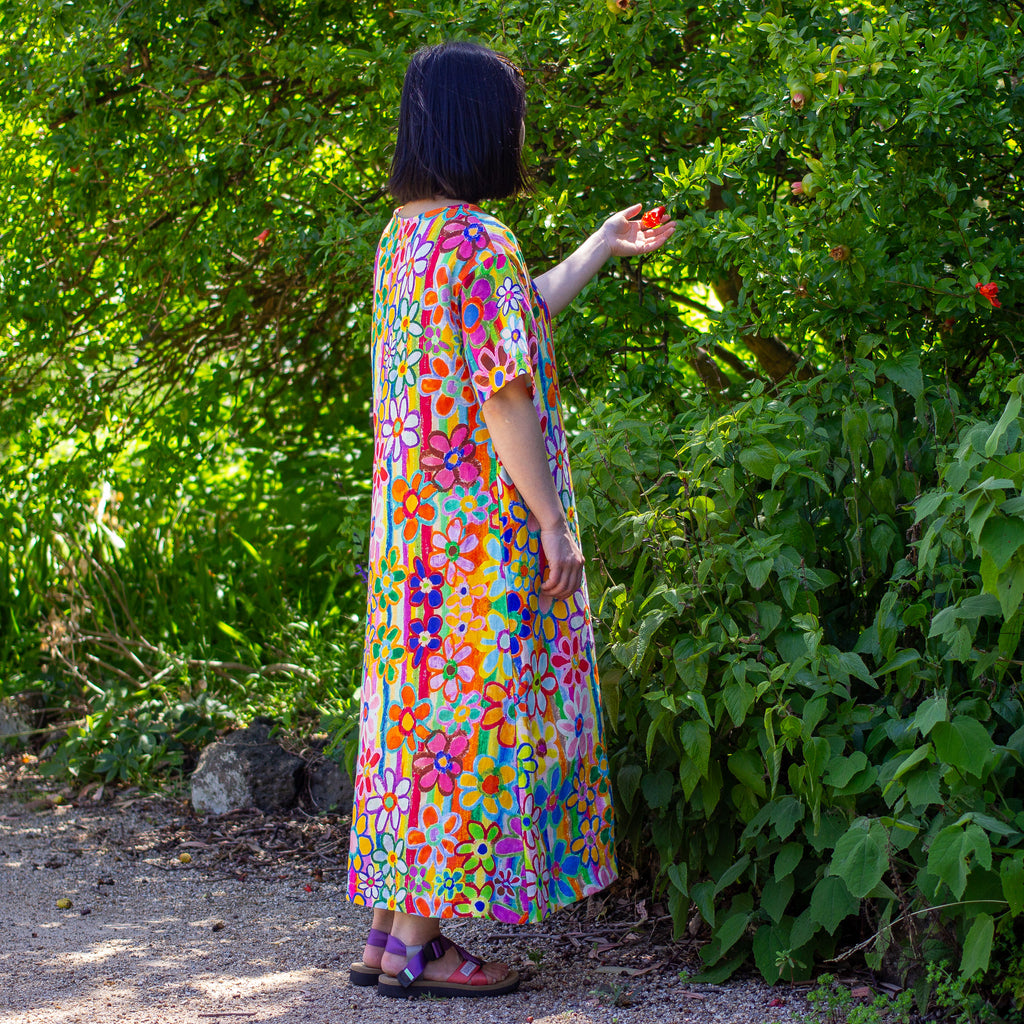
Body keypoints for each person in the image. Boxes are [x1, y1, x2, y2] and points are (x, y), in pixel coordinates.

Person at [346, 40, 675, 999]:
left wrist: (600, 246)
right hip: (477, 539)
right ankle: (420, 947)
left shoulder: (407, 239)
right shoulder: (476, 241)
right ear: (483, 128)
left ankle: (390, 937)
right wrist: (553, 526)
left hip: (414, 544)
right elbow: (504, 393)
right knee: (468, 723)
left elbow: (516, 318)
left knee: (423, 725)